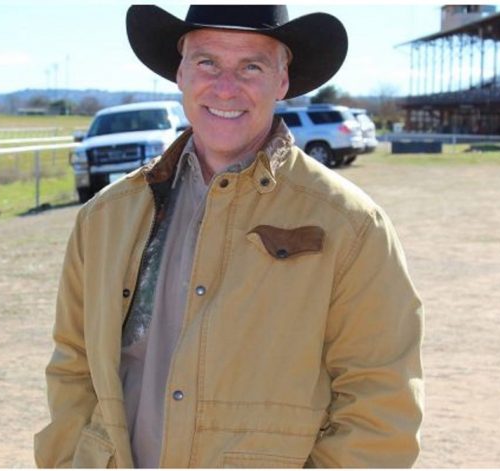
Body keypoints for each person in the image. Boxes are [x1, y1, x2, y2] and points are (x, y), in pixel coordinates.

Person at [35, 5, 424, 468]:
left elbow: (380, 404)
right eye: (207, 62)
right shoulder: (105, 219)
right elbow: (74, 368)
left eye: (251, 67)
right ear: (180, 73)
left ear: (282, 81)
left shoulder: (351, 226)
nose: (225, 87)